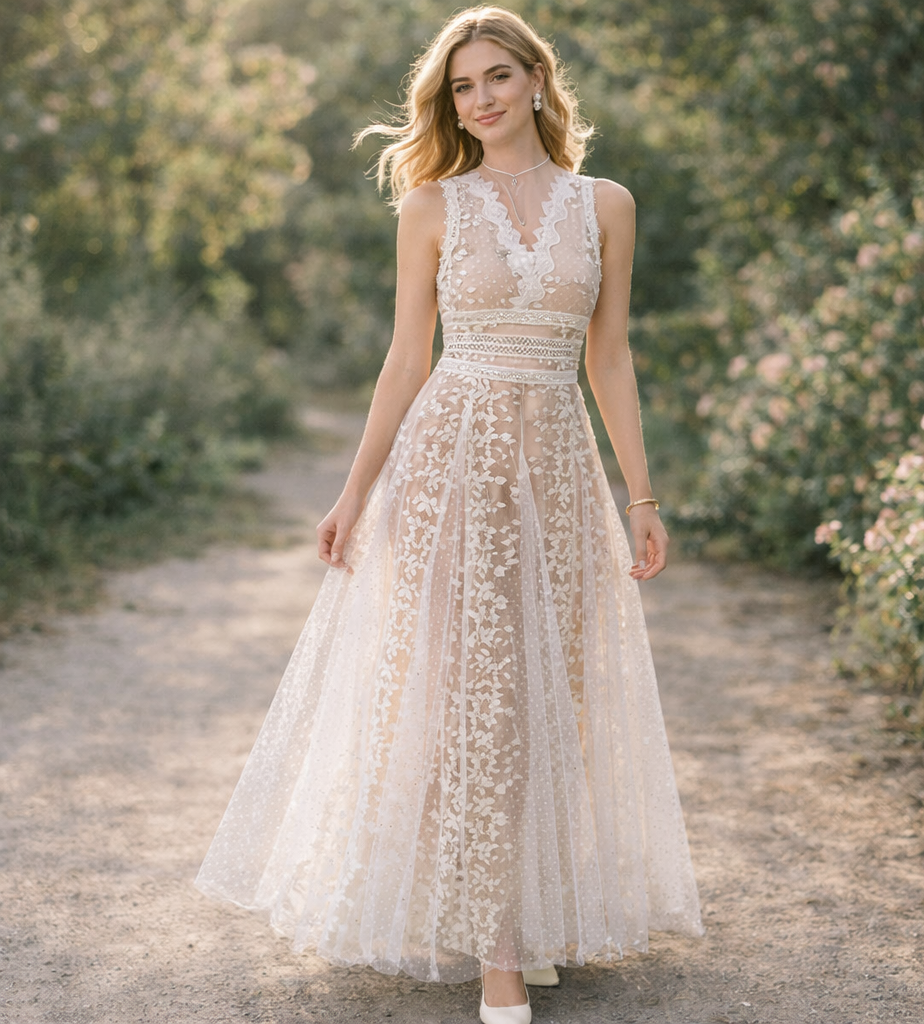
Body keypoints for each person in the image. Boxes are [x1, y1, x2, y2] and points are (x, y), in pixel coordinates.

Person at [195, 7, 702, 1023]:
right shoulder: (429, 206)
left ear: (537, 81)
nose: (481, 98)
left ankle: (511, 905)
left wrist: (638, 495)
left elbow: (608, 356)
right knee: (472, 694)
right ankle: (500, 956)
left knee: (550, 692)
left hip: (557, 468)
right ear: (450, 102)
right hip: (449, 464)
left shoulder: (607, 204)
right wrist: (352, 492)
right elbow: (403, 360)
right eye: (463, 86)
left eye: (497, 77)